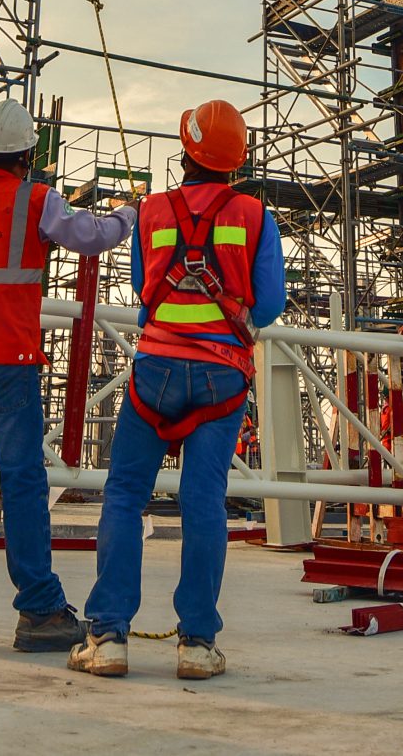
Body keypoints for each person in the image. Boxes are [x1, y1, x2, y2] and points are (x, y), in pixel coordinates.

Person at [71, 99, 284, 683]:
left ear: (186, 150)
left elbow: (144, 291)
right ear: (237, 160)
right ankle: (196, 643)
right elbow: (269, 304)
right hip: (222, 376)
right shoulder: (256, 216)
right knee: (203, 501)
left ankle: (108, 637)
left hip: (156, 371)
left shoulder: (151, 211)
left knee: (124, 495)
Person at [0, 98, 138, 653]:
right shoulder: (35, 199)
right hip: (7, 363)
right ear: (28, 154)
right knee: (21, 482)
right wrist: (129, 214)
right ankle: (39, 610)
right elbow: (91, 236)